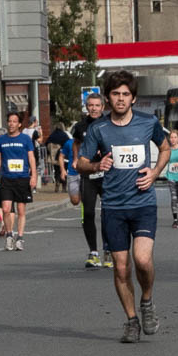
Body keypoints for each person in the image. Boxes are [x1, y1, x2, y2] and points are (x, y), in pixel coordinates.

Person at [75, 70, 170, 343]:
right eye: (115, 94)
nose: (120, 98)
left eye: (125, 94)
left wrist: (154, 173)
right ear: (108, 98)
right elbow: (80, 163)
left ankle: (147, 301)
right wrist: (96, 165)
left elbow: (165, 148)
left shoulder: (147, 122)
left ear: (134, 98)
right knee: (120, 268)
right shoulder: (98, 129)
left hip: (143, 202)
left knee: (141, 259)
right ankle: (131, 321)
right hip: (114, 206)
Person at [72, 92, 109, 268]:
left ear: (103, 107)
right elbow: (77, 143)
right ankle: (93, 252)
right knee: (88, 213)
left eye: (97, 105)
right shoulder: (80, 126)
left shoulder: (109, 123)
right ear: (87, 107)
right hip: (88, 174)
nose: (94, 108)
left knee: (109, 213)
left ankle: (109, 251)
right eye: (91, 105)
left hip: (107, 175)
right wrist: (75, 159)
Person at [0, 111, 36, 250]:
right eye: (9, 121)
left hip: (22, 178)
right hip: (6, 179)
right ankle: (9, 236)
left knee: (21, 210)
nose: (11, 124)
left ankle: (20, 238)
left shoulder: (25, 139)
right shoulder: (2, 140)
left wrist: (33, 175)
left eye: (14, 121)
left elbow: (31, 158)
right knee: (6, 209)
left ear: (20, 124)